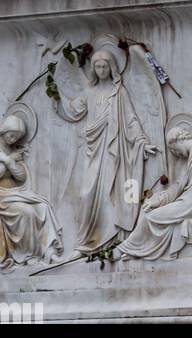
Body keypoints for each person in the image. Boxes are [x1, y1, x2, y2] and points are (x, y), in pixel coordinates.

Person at [53, 45, 158, 256]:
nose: (101, 70)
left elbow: (130, 120)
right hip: (93, 149)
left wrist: (141, 140)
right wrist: (56, 96)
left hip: (114, 151)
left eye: (104, 66)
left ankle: (114, 239)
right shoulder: (89, 91)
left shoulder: (118, 92)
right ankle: (85, 242)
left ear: (112, 68)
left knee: (116, 193)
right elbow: (74, 109)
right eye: (97, 66)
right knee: (86, 194)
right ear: (93, 69)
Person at [116, 122, 192, 261]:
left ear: (179, 139)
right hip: (186, 201)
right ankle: (135, 251)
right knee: (147, 211)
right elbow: (178, 186)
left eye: (174, 149)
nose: (176, 153)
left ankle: (126, 249)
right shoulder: (191, 158)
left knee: (151, 217)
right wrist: (157, 201)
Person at [0, 106, 63, 268]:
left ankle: (49, 252)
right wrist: (8, 161)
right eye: (11, 135)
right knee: (27, 212)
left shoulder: (14, 151)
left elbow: (21, 176)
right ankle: (27, 255)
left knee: (43, 206)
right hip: (2, 196)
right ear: (4, 131)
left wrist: (11, 161)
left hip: (14, 192)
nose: (13, 139)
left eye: (17, 137)